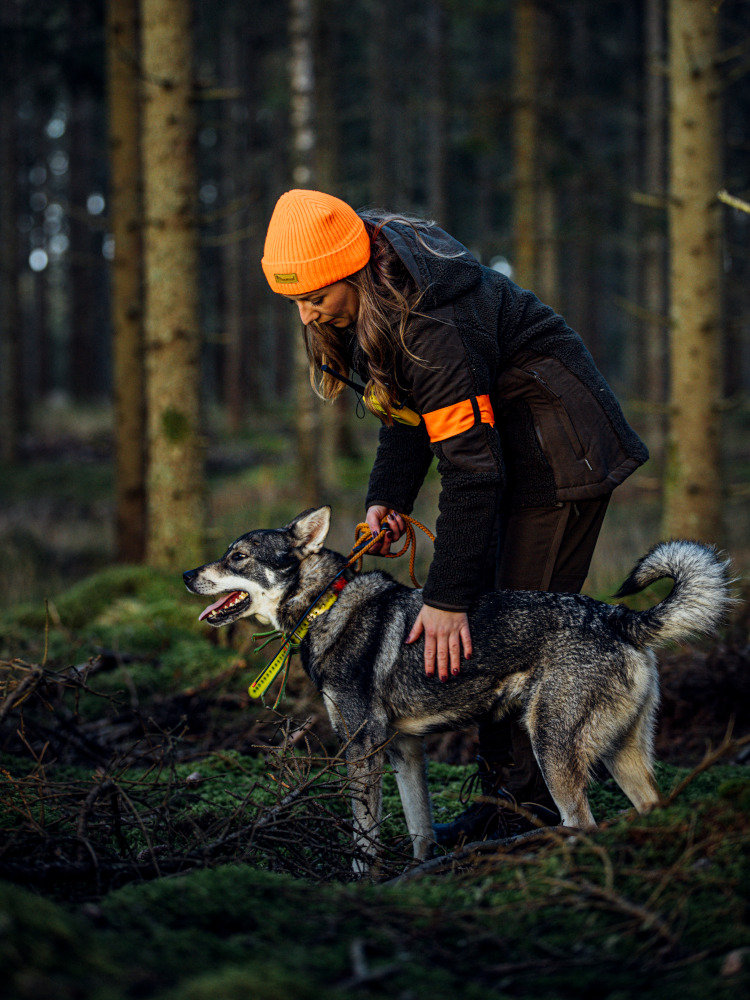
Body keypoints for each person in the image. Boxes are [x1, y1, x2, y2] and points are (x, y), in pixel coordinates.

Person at [261, 189, 649, 845]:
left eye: (317, 298)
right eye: (294, 302)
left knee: (516, 632)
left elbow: (471, 469)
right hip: (503, 451)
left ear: (353, 271)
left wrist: (446, 598)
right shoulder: (378, 291)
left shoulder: (435, 323)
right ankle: (506, 808)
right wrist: (389, 496)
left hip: (559, 454)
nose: (306, 316)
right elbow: (408, 413)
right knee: (493, 619)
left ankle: (523, 823)